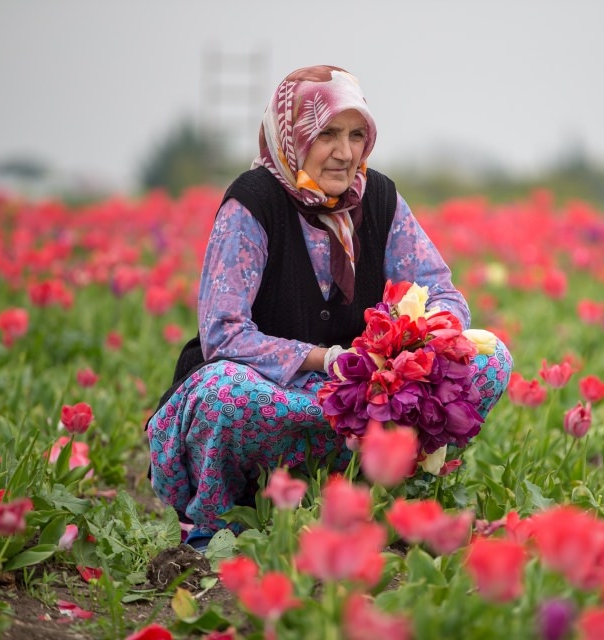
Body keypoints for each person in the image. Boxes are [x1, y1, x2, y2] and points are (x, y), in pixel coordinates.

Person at [147, 65, 513, 551]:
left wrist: (415, 343)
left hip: (363, 396)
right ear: (292, 138)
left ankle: (379, 496)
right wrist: (329, 360)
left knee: (487, 359)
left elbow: (442, 293)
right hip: (274, 390)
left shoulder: (377, 197)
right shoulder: (253, 205)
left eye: (357, 134)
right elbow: (224, 333)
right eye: (327, 135)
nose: (346, 153)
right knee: (224, 392)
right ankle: (224, 518)